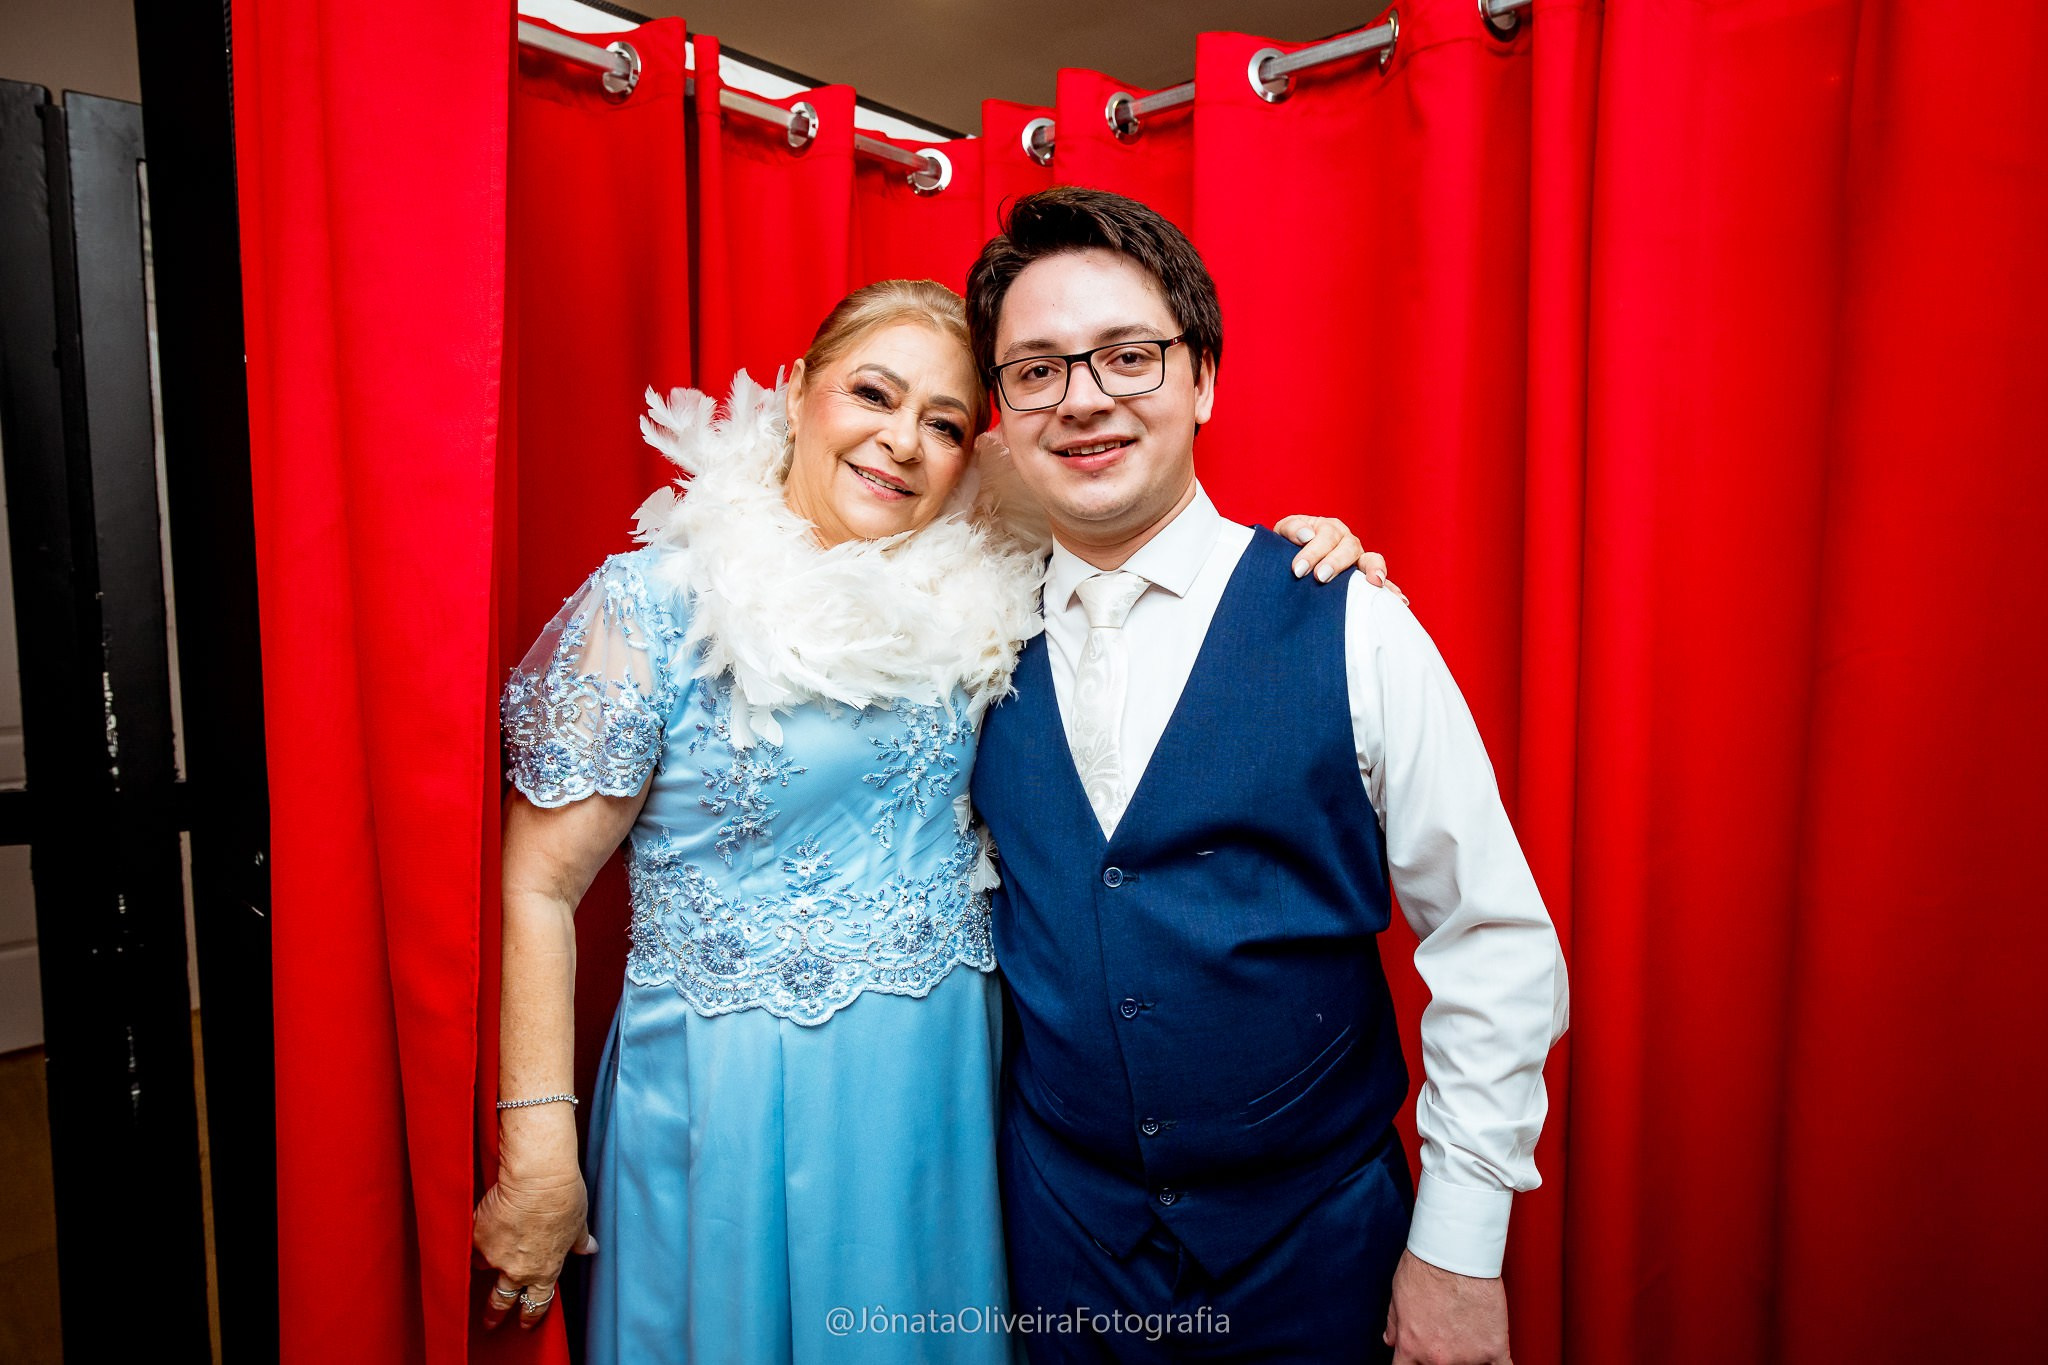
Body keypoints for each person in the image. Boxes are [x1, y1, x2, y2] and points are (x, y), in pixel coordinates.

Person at [469, 277, 1375, 1363]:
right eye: (872, 394)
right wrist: (536, 1145)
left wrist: (1296, 564)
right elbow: (539, 884)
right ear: (797, 393)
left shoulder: (998, 580)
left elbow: (1160, 557)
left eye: (943, 423)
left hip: (940, 1087)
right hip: (729, 1095)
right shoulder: (656, 603)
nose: (901, 442)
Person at [963, 187, 1570, 1364]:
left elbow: (1492, 941)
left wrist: (1457, 1248)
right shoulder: (959, 636)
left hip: (1315, 1248)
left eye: (1126, 357)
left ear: (1201, 383)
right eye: (1033, 370)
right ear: (1000, 411)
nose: (1081, 396)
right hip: (1060, 1248)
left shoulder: (1348, 620)